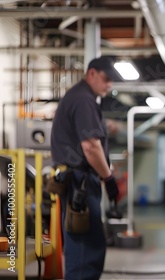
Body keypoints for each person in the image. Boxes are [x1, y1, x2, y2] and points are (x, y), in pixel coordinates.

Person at [50, 56, 121, 280]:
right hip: (80, 182)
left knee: (85, 243)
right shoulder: (83, 100)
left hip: (76, 181)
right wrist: (108, 179)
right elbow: (90, 147)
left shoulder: (81, 97)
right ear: (92, 73)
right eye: (106, 78)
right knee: (85, 248)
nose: (109, 84)